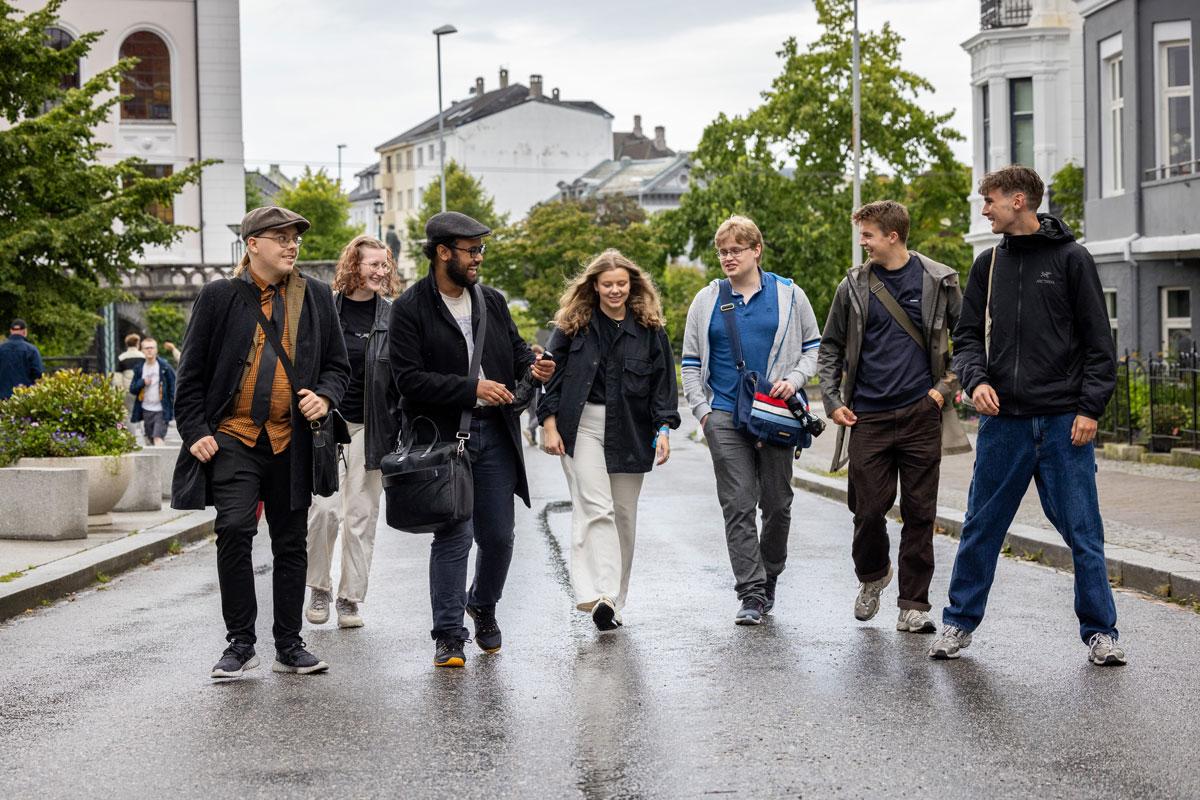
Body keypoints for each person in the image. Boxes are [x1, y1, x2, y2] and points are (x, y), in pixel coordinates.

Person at [930, 165, 1125, 666]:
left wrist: (1090, 408)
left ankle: (1101, 633)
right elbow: (966, 338)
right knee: (981, 527)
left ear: (1018, 201)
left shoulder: (1072, 260)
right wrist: (977, 380)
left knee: (1084, 532)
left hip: (1063, 424)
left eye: (990, 200)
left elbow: (1099, 344)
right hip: (1004, 425)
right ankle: (958, 623)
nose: (984, 210)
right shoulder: (988, 264)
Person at [171, 206, 350, 680]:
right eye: (280, 237)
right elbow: (190, 374)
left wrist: (325, 397)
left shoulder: (315, 296)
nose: (292, 246)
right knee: (234, 529)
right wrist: (196, 431)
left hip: (291, 439)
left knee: (291, 541)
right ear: (252, 244)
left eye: (295, 238)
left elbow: (338, 366)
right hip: (234, 436)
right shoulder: (219, 296)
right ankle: (240, 643)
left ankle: (289, 645)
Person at [389, 211, 555, 668]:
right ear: (443, 252)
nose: (479, 257)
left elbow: (515, 350)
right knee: (453, 534)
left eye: (482, 249)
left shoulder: (491, 300)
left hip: (495, 432)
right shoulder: (409, 308)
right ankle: (448, 636)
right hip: (444, 439)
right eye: (471, 250)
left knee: (499, 537)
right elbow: (407, 380)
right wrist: (471, 388)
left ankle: (482, 604)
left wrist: (534, 366)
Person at [817, 200, 970, 635]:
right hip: (867, 417)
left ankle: (914, 605)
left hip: (922, 414)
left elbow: (970, 341)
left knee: (920, 513)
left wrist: (942, 391)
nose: (862, 242)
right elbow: (830, 348)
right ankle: (873, 575)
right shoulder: (853, 286)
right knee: (867, 511)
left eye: (867, 235)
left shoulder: (939, 281)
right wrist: (831, 400)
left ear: (892, 235)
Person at [681, 215, 822, 625]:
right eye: (722, 252)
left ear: (756, 251)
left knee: (777, 504)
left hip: (775, 412)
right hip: (724, 413)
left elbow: (813, 347)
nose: (728, 257)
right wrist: (703, 412)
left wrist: (795, 380)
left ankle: (770, 572)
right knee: (738, 503)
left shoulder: (789, 294)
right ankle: (752, 592)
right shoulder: (707, 299)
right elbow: (690, 362)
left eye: (736, 250)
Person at [539, 250, 680, 630]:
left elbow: (663, 387)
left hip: (631, 431)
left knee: (624, 517)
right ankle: (600, 593)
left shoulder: (650, 330)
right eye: (607, 284)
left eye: (621, 284)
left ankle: (615, 601)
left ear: (632, 285)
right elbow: (548, 379)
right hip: (582, 425)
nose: (615, 290)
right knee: (596, 508)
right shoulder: (573, 326)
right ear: (595, 286)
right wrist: (549, 425)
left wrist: (664, 430)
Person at [305, 235, 399, 630]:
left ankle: (349, 598)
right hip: (326, 424)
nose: (380, 271)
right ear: (353, 266)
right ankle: (319, 587)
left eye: (384, 265)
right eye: (373, 264)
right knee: (324, 511)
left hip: (372, 427)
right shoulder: (326, 310)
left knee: (360, 514)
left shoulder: (392, 316)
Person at [130, 337, 176, 446]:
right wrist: (142, 382)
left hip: (161, 409)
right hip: (145, 409)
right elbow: (132, 389)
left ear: (156, 350)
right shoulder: (139, 368)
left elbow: (173, 387)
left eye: (152, 348)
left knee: (157, 437)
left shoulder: (165, 367)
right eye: (146, 348)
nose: (149, 350)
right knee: (150, 440)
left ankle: (162, 455)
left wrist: (174, 405)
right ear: (142, 350)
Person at [0, 319, 44, 399]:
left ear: (11, 331)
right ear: (25, 331)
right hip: (23, 397)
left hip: (2, 397)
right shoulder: (31, 350)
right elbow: (38, 373)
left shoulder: (1, 349)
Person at [114, 333, 143, 414]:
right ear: (138, 343)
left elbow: (117, 378)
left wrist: (120, 391)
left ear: (126, 344)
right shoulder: (143, 357)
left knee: (128, 413)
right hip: (141, 389)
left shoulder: (121, 357)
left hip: (127, 390)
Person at [523, 344, 545, 446]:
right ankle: (530, 430)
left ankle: (532, 437)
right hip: (533, 392)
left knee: (533, 415)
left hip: (531, 392)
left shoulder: (530, 362)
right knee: (537, 414)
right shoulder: (537, 363)